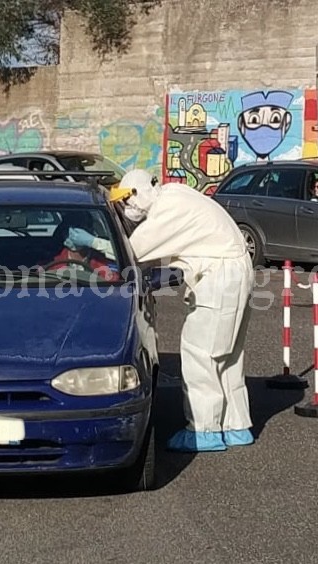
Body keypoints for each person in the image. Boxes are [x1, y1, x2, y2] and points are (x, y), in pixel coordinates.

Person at [109, 169, 255, 452]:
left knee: (200, 354)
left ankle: (204, 430)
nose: (127, 207)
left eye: (127, 200)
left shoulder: (168, 208)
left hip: (219, 278)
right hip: (233, 273)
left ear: (138, 192)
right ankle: (236, 426)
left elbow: (132, 253)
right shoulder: (177, 197)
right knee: (226, 356)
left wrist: (91, 246)